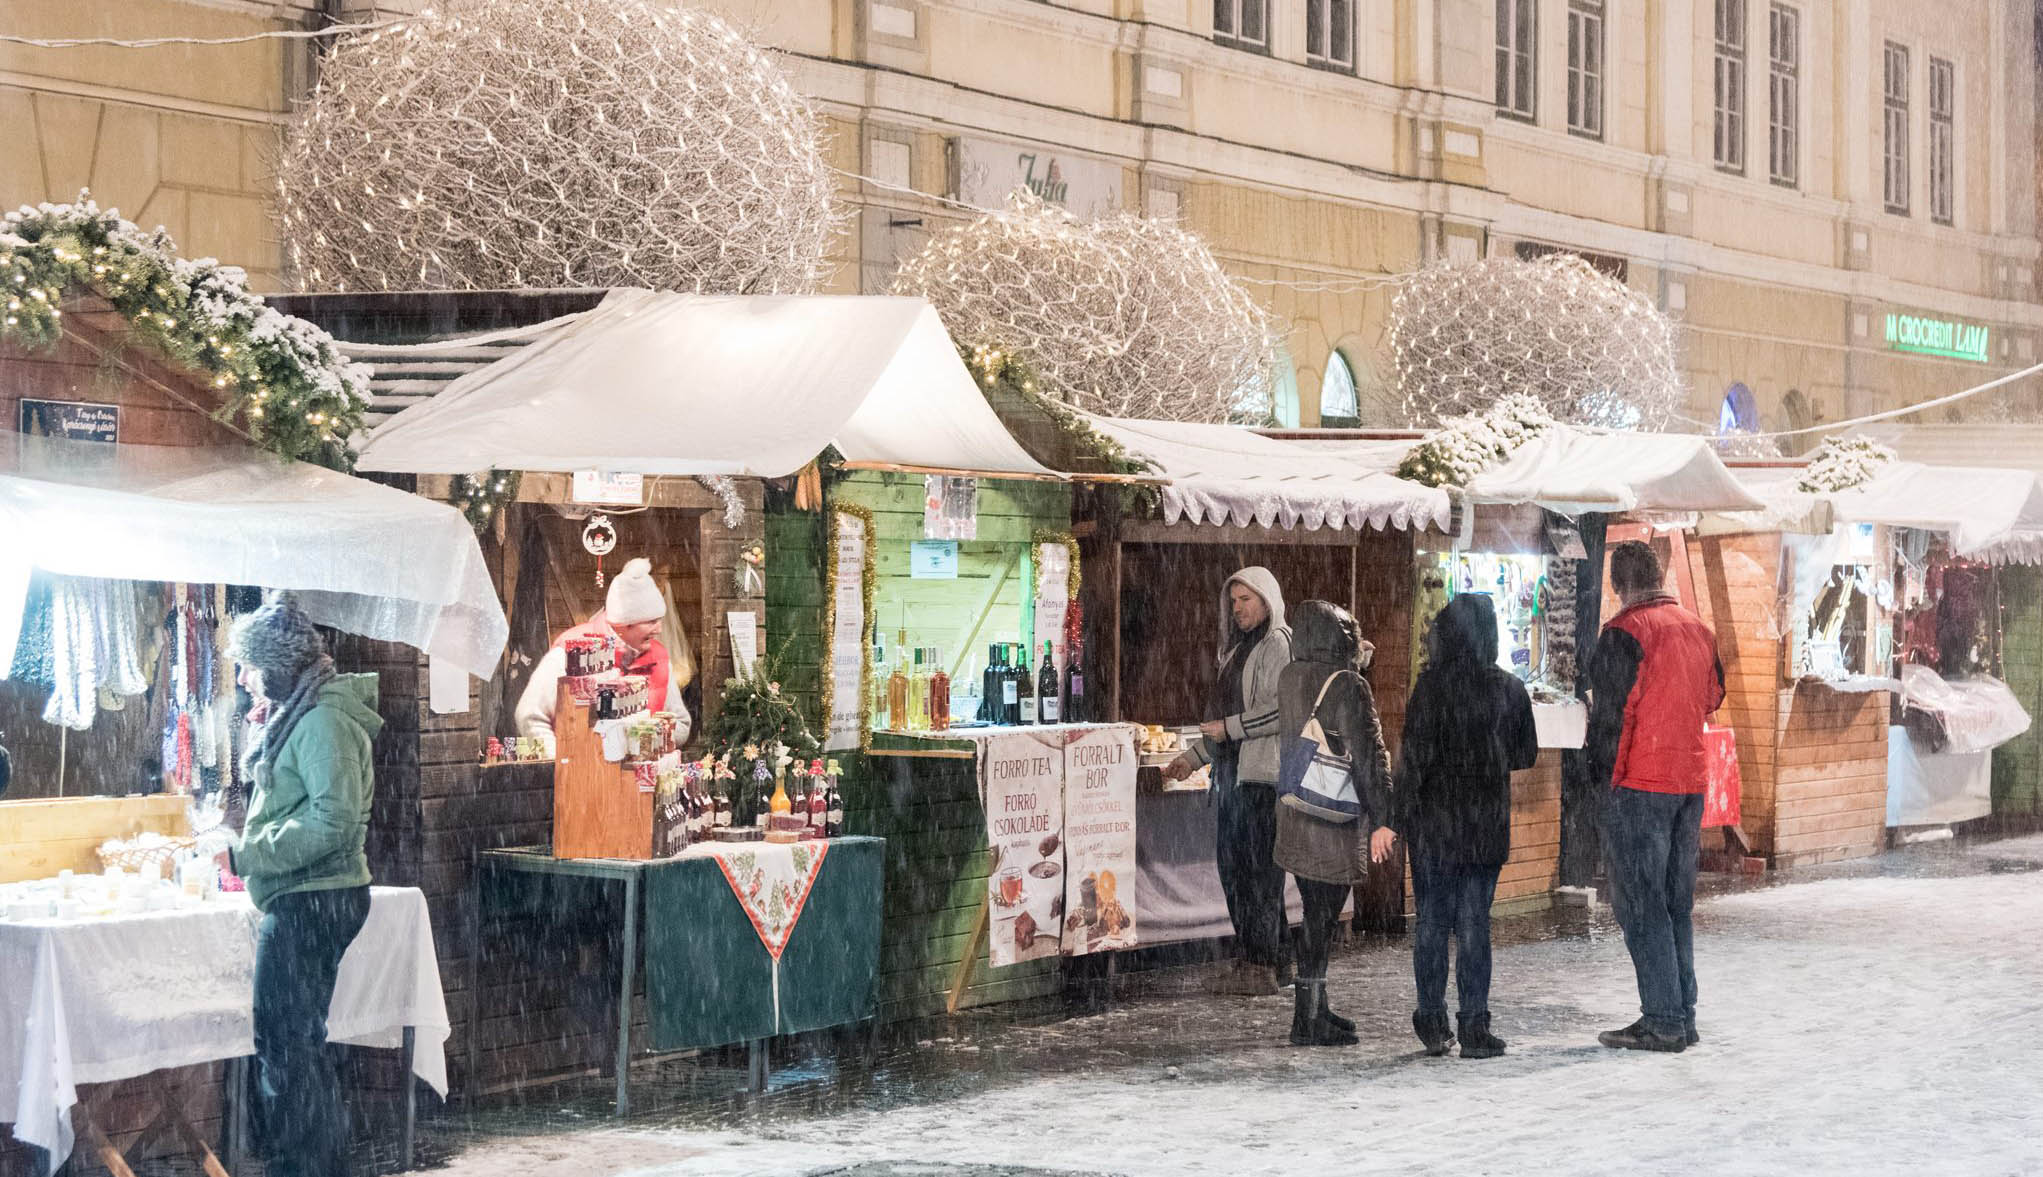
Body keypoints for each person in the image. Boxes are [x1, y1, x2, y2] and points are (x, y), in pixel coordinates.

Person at [226, 593, 381, 1177]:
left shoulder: (323, 723)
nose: (242, 678)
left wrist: (246, 854)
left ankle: (305, 1165)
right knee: (295, 1043)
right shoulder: (305, 715)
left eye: (248, 665)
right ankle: (313, 1163)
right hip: (307, 895)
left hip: (313, 898)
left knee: (285, 1045)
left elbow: (332, 820)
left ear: (275, 666)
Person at [1588, 541, 1725, 1054]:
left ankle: (1663, 1018)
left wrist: (1601, 784)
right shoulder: (1699, 630)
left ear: (1618, 586)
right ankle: (1682, 1012)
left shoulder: (1624, 633)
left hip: (1640, 786)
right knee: (1675, 903)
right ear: (1659, 574)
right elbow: (1714, 696)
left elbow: (1610, 720)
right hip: (1689, 783)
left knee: (1641, 904)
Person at [1388, 593, 1537, 1059]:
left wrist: (1394, 817)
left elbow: (1413, 761)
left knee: (1432, 923)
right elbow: (1525, 754)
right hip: (1485, 825)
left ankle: (1431, 1020)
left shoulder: (1429, 688)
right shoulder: (1509, 689)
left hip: (1434, 826)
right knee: (1475, 926)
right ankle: (1474, 1026)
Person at [1273, 600, 1396, 1046]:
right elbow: (1368, 756)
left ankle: (1314, 1009)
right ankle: (1307, 1019)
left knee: (1313, 914)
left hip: (1296, 811)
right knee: (1322, 920)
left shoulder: (1291, 676)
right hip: (1332, 820)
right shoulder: (1351, 686)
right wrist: (1383, 816)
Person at [1164, 567, 1292, 996]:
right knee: (1237, 870)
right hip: (1234, 776)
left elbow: (1281, 710)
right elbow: (1221, 721)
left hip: (1263, 777)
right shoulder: (1237, 650)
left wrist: (1231, 729)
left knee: (1258, 874)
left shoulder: (1278, 644)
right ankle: (1267, 961)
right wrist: (1193, 758)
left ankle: (1262, 965)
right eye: (1233, 601)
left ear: (1267, 600)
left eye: (1246, 600)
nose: (1238, 608)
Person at [514, 556, 690, 743]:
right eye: (651, 621)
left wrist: (644, 734)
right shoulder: (570, 653)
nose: (659, 629)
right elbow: (530, 716)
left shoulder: (658, 658)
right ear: (625, 623)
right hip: (580, 769)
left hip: (636, 772)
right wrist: (561, 763)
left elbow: (681, 725)